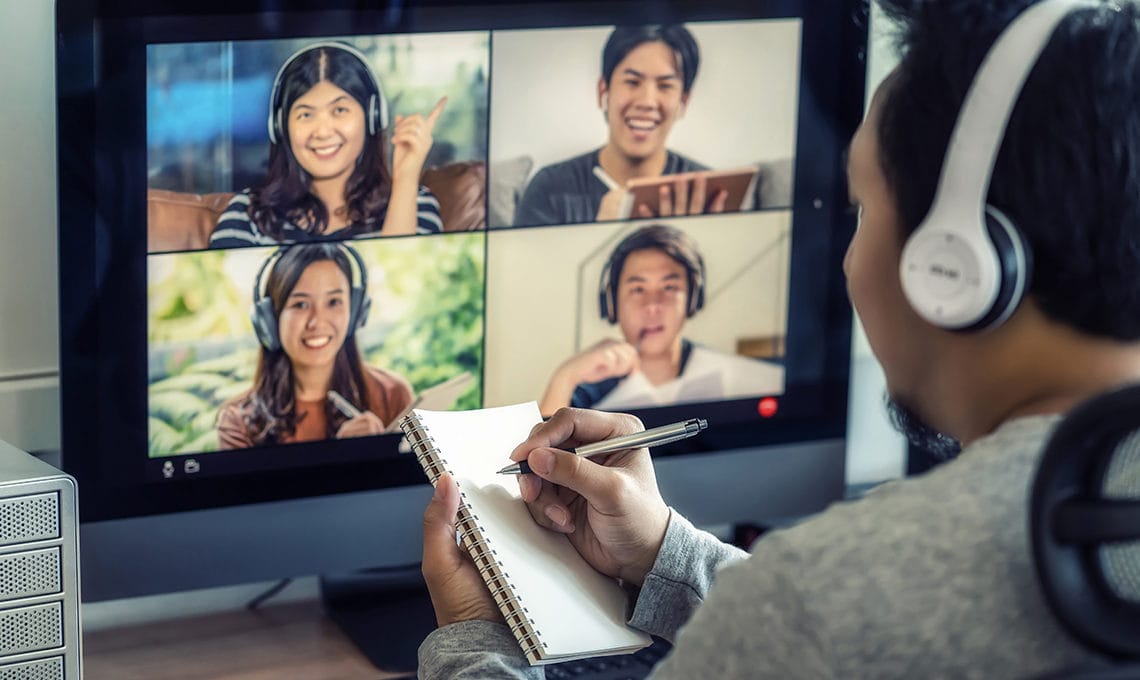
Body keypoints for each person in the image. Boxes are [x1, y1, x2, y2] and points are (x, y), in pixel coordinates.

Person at [418, 0, 1140, 677]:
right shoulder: (831, 602)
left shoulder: (822, 599)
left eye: (861, 206)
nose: (847, 256)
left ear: (952, 265)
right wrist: (665, 555)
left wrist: (475, 632)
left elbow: (820, 623)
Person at [209, 42, 444, 247]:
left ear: (372, 117)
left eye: (339, 110)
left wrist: (405, 181)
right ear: (280, 126)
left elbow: (407, 291)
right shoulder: (246, 213)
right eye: (306, 115)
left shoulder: (415, 203)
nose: (322, 132)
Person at [538, 224, 784, 416]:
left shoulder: (730, 374)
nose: (653, 305)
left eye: (669, 287)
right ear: (612, 302)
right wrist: (565, 376)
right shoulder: (584, 392)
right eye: (637, 289)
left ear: (692, 298)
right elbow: (542, 457)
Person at [512, 25, 729, 228]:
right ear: (602, 91)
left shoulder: (709, 192)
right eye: (632, 82)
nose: (646, 101)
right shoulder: (550, 189)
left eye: (665, 86)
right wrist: (600, 233)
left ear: (684, 102)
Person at [216, 243, 414, 448]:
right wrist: (342, 455)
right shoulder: (238, 422)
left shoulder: (392, 395)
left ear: (354, 311)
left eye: (334, 302)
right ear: (270, 320)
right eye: (300, 304)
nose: (317, 322)